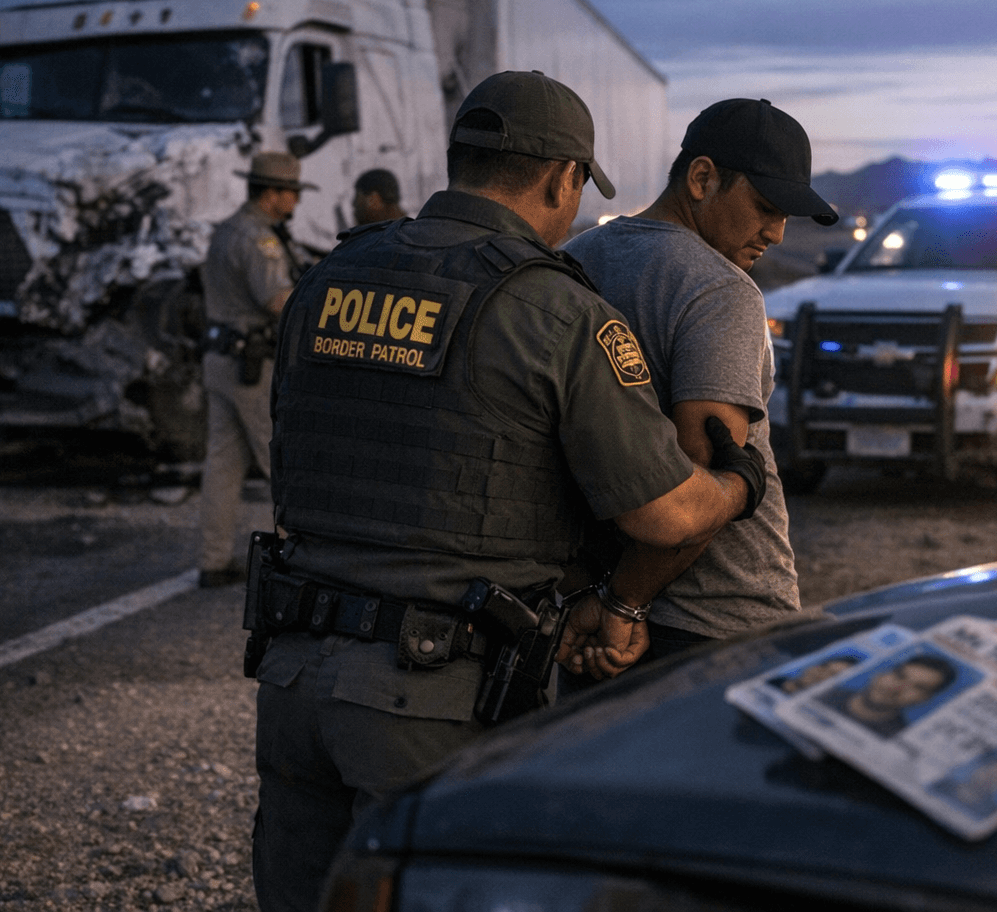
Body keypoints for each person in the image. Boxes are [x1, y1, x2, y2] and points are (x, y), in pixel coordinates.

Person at [251, 70, 766, 912]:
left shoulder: (330, 276)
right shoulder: (550, 308)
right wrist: (738, 483)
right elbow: (665, 512)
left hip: (293, 673)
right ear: (565, 178)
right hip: (428, 692)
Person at [560, 98, 837, 673]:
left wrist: (605, 597)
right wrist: (625, 602)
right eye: (765, 207)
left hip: (592, 605)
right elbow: (705, 475)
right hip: (716, 619)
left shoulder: (572, 263)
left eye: (789, 216)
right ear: (702, 178)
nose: (779, 234)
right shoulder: (721, 291)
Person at [195, 152, 313, 588]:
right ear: (271, 193)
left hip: (220, 359)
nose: (296, 202)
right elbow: (276, 300)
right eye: (292, 193)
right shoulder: (258, 239)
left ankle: (212, 560)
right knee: (280, 463)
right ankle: (299, 563)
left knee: (223, 464)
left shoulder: (227, 231)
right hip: (252, 366)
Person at [822, 653, 956, 738]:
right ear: (881, 674)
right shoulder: (822, 693)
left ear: (924, 699)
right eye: (899, 676)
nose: (897, 688)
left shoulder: (896, 738)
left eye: (918, 687)